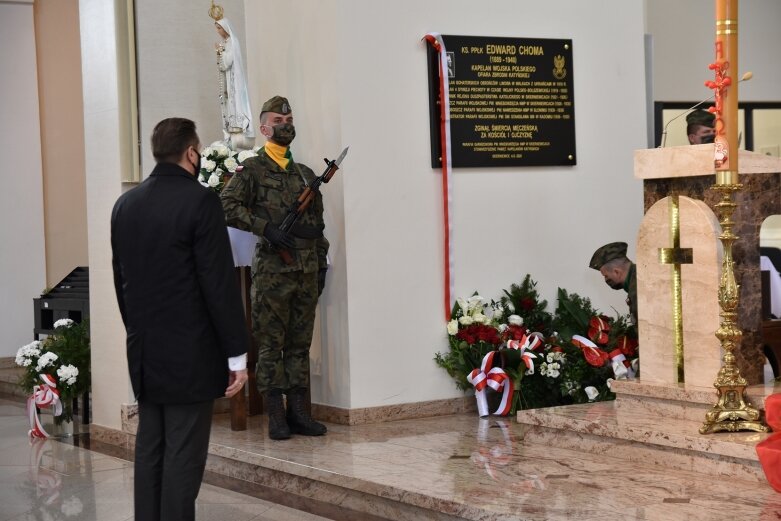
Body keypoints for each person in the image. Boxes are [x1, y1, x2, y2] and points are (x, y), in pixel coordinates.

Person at [111, 117, 249, 521]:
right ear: (191, 152)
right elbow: (218, 284)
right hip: (191, 353)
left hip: (144, 349)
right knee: (184, 456)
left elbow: (123, 283)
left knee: (150, 448)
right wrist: (236, 356)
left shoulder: (126, 205)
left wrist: (137, 333)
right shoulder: (201, 201)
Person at [221, 95, 329, 441]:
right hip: (272, 273)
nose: (286, 126)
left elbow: (317, 225)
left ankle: (299, 412)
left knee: (300, 344)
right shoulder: (252, 170)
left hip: (305, 270)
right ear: (265, 128)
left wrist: (321, 263)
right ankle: (275, 415)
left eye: (290, 120)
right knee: (271, 344)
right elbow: (227, 205)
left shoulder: (306, 174)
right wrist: (264, 228)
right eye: (279, 122)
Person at [214, 17, 254, 146]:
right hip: (227, 78)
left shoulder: (232, 41)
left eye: (219, 28)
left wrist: (220, 51)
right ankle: (232, 128)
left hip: (234, 80)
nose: (218, 31)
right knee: (228, 101)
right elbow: (222, 65)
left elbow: (228, 61)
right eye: (217, 28)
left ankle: (238, 126)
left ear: (225, 28)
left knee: (235, 101)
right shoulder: (226, 42)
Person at [589, 242, 637, 323]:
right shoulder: (641, 277)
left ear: (616, 272)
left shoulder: (637, 289)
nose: (606, 280)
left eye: (606, 276)